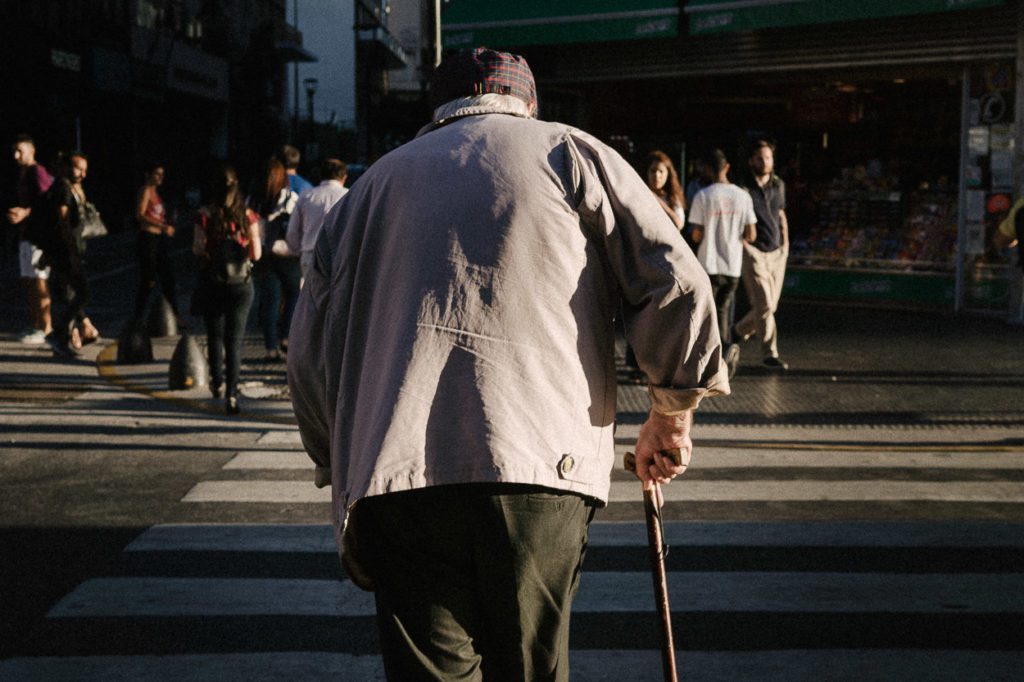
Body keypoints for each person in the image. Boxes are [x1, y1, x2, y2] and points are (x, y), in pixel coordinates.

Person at [287, 47, 729, 681]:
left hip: (400, 471)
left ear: (438, 108)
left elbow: (308, 351)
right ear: (529, 104)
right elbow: (678, 284)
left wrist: (334, 452)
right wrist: (672, 412)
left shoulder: (370, 188)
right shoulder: (570, 154)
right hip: (542, 468)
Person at [192, 164, 262, 415]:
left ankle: (217, 380)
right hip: (241, 285)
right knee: (235, 340)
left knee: (215, 335)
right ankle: (232, 394)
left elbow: (198, 248)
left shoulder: (205, 214)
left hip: (213, 281)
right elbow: (257, 252)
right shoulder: (248, 215)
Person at [687, 149, 757, 379]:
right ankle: (724, 353)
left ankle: (709, 358)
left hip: (708, 263)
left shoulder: (703, 196)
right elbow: (751, 233)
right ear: (726, 167)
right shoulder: (743, 196)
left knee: (705, 313)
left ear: (708, 169)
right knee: (723, 309)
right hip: (732, 264)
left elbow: (696, 235)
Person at [736, 139, 790, 371]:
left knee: (770, 307)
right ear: (751, 161)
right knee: (765, 304)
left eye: (768, 157)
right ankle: (770, 354)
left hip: (777, 251)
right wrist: (745, 246)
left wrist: (786, 243)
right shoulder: (743, 188)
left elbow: (780, 213)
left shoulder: (778, 185)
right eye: (760, 158)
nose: (765, 162)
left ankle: (737, 331)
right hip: (754, 251)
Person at [41, 152, 98, 358]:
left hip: (70, 249)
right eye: (78, 168)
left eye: (85, 169)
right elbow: (63, 223)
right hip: (66, 251)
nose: (82, 173)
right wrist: (72, 253)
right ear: (66, 167)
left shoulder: (72, 188)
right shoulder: (63, 188)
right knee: (83, 292)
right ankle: (60, 333)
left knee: (69, 292)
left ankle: (65, 337)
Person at [249, 157, 300, 361]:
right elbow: (297, 228)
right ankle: (286, 337)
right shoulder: (290, 198)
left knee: (270, 300)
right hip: (287, 253)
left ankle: (270, 348)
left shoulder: (252, 200)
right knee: (293, 296)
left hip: (263, 254)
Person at [7, 134, 53, 344]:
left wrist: (25, 213)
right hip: (26, 235)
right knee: (29, 281)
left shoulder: (37, 172)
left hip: (40, 237)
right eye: (14, 151)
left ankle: (46, 326)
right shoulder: (23, 174)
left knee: (39, 281)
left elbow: (49, 202)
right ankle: (35, 325)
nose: (16, 156)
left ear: (32, 151)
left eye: (20, 151)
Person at [285, 158, 347, 281]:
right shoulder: (349, 196)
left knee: (313, 298)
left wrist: (298, 250)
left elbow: (292, 231)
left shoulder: (307, 196)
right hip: (339, 255)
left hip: (310, 254)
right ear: (344, 177)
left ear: (321, 175)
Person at [133, 163, 179, 321]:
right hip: (148, 238)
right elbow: (140, 214)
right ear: (148, 174)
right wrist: (162, 226)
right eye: (157, 174)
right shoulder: (145, 190)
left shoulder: (155, 192)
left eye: (162, 174)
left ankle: (175, 315)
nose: (160, 178)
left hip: (159, 239)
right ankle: (138, 316)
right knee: (148, 280)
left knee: (168, 277)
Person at [645, 149, 685, 231]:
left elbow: (678, 224)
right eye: (653, 171)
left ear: (668, 174)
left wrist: (656, 198)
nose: (656, 175)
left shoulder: (673, 198)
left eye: (661, 171)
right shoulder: (640, 195)